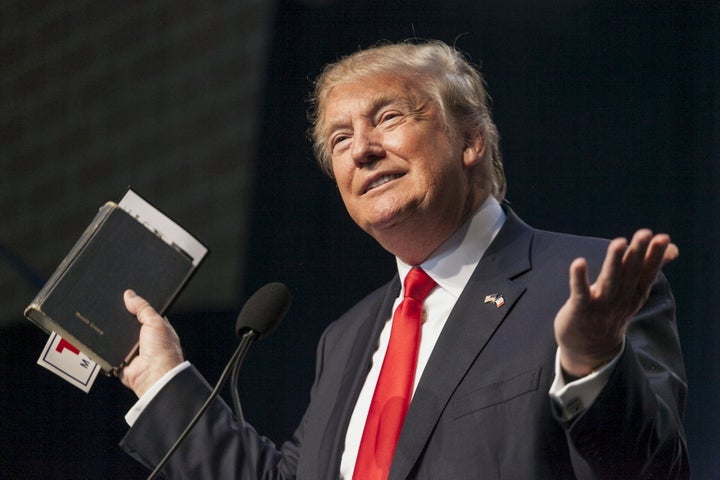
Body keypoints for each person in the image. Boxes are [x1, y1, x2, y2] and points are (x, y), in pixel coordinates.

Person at [118, 40, 689, 479]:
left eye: (389, 118)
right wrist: (161, 379)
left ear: (470, 140)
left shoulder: (580, 288)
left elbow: (649, 470)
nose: (362, 149)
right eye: (340, 140)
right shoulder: (344, 338)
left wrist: (593, 363)